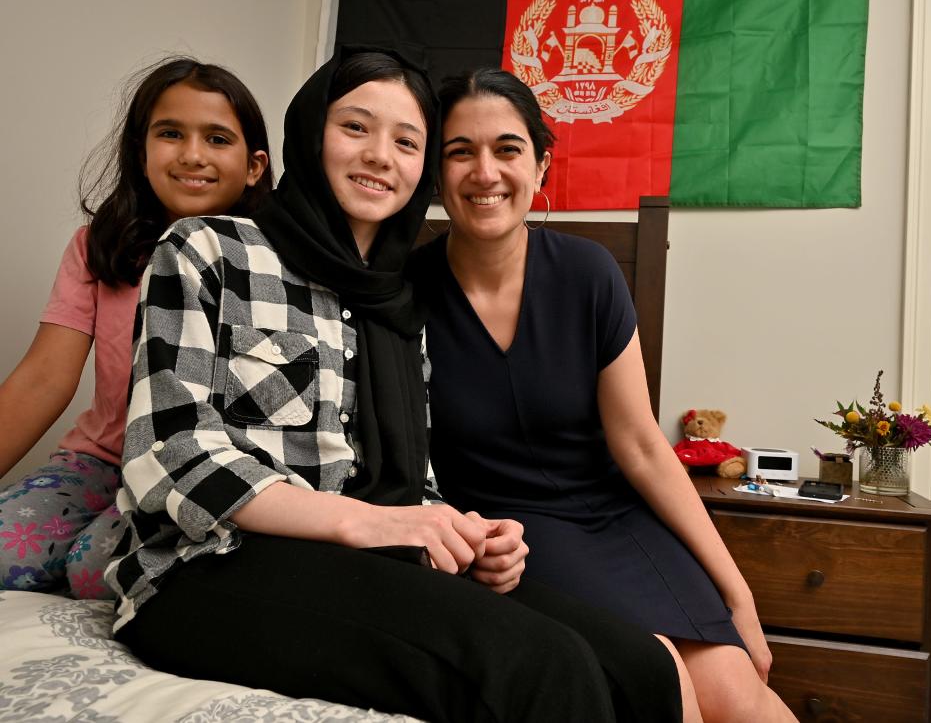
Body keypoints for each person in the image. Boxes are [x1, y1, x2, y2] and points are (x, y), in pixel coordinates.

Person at [105, 46, 690, 723]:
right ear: (309, 133)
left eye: (407, 141)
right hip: (209, 566)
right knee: (538, 667)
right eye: (355, 127)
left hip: (368, 565)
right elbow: (169, 456)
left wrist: (467, 541)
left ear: (422, 170)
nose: (381, 156)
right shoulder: (209, 249)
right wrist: (363, 521)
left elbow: (413, 483)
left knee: (642, 669)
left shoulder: (399, 302)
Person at [414, 67, 798, 723]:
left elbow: (644, 446)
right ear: (435, 173)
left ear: (541, 165)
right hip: (516, 538)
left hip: (616, 520)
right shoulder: (402, 293)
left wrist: (739, 593)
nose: (485, 171)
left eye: (507, 149)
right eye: (460, 151)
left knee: (737, 689)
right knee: (665, 679)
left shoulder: (590, 273)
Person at [0, 58, 272, 598]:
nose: (192, 154)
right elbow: (43, 379)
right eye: (170, 133)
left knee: (93, 573)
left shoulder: (266, 264)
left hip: (190, 473)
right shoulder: (98, 247)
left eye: (217, 138)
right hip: (99, 460)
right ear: (141, 150)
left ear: (254, 166)